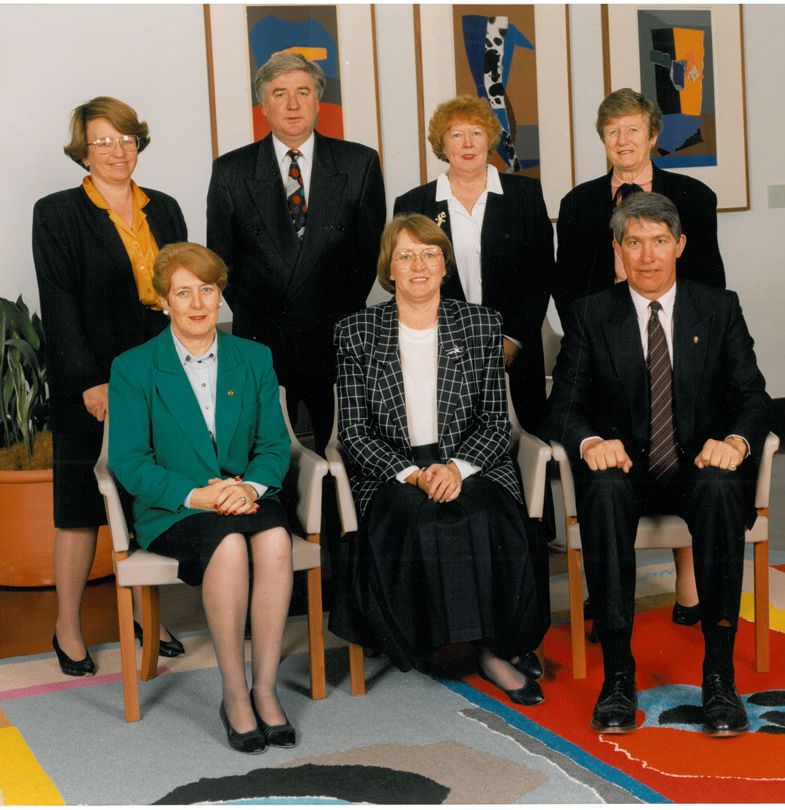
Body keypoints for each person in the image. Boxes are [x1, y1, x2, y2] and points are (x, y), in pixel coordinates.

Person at [545, 192, 769, 736]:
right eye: (634, 243)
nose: (647, 256)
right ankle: (618, 676)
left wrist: (737, 443)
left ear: (680, 246)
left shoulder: (719, 307)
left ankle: (718, 677)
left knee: (720, 488)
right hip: (627, 474)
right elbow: (562, 408)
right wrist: (591, 439)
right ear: (618, 251)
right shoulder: (592, 314)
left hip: (697, 468)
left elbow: (754, 397)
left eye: (660, 242)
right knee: (601, 487)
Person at [331, 214, 549, 706]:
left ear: (446, 265)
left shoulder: (479, 324)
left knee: (481, 514)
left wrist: (456, 469)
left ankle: (492, 650)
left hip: (471, 461)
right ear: (389, 269)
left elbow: (497, 423)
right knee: (420, 519)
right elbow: (353, 432)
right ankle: (437, 640)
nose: (419, 266)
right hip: (391, 468)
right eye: (405, 256)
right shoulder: (357, 332)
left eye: (429, 254)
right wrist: (413, 473)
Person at [108, 243, 295, 754]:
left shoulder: (254, 357)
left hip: (246, 494)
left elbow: (275, 444)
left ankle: (266, 688)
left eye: (206, 290)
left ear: (220, 296)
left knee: (276, 539)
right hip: (174, 507)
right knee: (230, 546)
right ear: (164, 302)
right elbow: (129, 462)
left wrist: (247, 487)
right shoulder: (133, 367)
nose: (196, 303)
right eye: (182, 292)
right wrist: (199, 496)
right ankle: (235, 695)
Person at [554, 87, 727, 625]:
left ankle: (689, 581)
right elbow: (567, 285)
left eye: (633, 130)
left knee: (681, 439)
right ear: (602, 140)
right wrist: (596, 333)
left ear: (652, 136)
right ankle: (608, 591)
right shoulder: (579, 203)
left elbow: (710, 281)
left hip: (676, 339)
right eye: (612, 132)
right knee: (616, 452)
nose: (623, 141)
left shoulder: (692, 197)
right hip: (606, 340)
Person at [33, 96, 187, 678]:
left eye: (126, 139)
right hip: (92, 374)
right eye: (103, 142)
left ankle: (153, 615)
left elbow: (183, 286)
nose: (117, 151)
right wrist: (87, 382)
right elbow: (60, 301)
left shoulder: (165, 208)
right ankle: (66, 626)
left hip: (160, 369)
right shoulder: (57, 212)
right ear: (83, 150)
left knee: (150, 494)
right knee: (79, 506)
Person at [207, 52, 386, 452]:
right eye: (279, 94)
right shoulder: (230, 171)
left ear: (318, 100)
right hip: (263, 337)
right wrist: (262, 313)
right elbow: (221, 264)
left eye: (302, 92)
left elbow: (369, 255)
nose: (292, 105)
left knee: (343, 450)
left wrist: (329, 313)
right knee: (267, 454)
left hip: (337, 335)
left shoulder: (359, 163)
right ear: (263, 104)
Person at [393, 95, 554, 433]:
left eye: (476, 133)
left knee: (524, 453)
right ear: (442, 144)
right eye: (456, 134)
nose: (467, 143)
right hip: (442, 355)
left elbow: (540, 276)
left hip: (516, 354)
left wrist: (512, 341)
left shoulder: (525, 194)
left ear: (489, 140)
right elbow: (406, 281)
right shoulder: (414, 203)